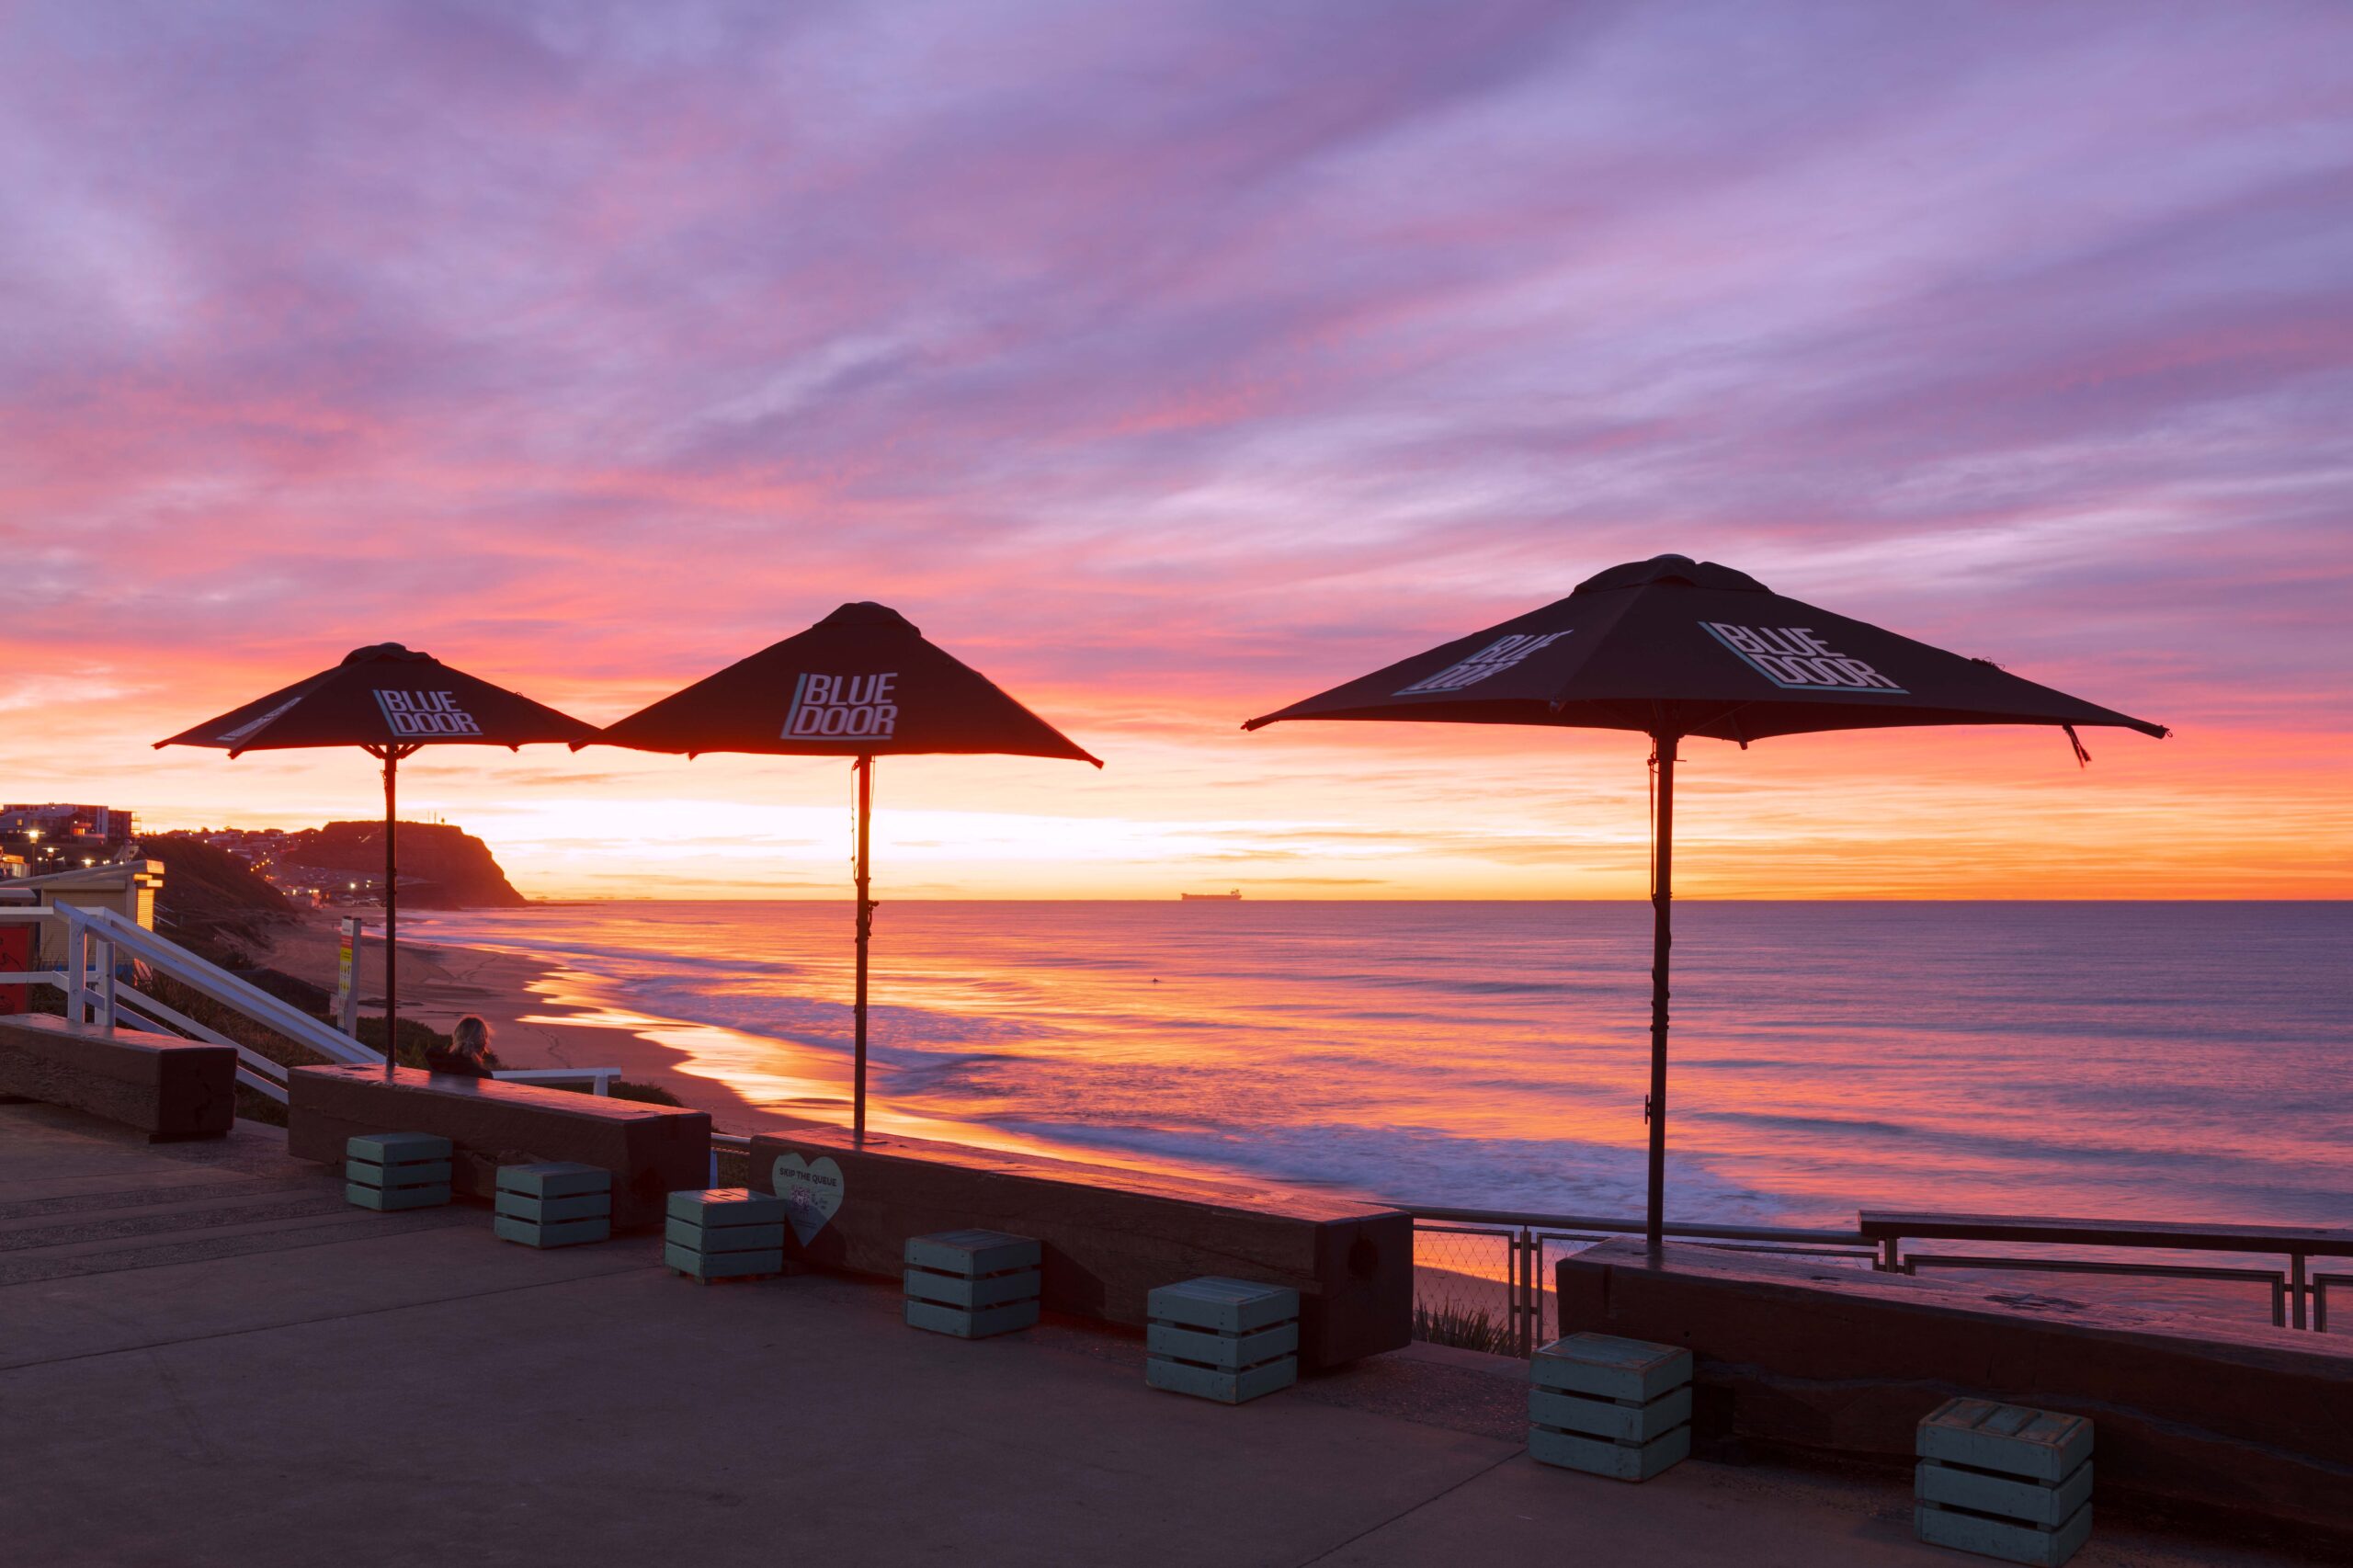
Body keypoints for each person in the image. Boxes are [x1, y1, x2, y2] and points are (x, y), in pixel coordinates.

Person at [424, 1014, 502, 1078]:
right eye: (486, 1037)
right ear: (483, 1044)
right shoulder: (482, 1076)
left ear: (456, 1037)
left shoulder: (438, 1064)